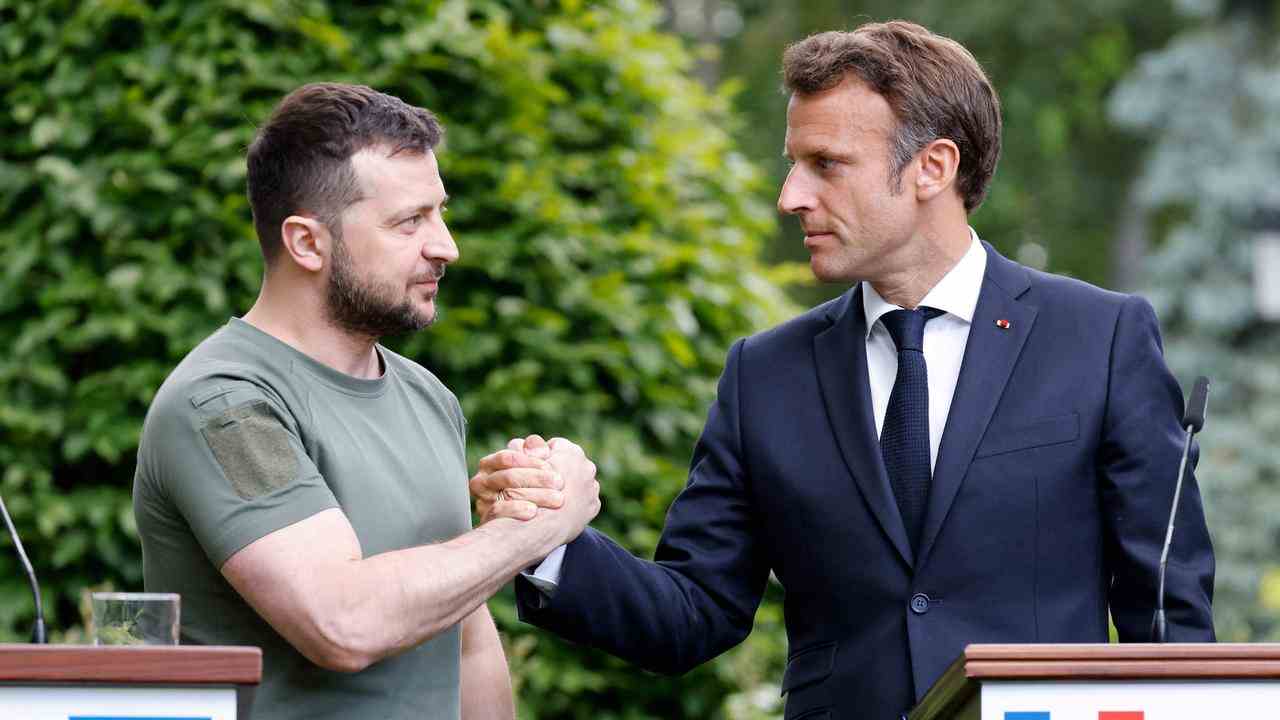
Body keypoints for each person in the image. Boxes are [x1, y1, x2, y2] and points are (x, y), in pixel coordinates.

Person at [471, 21, 1215, 719]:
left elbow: (1167, 615)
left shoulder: (1101, 337)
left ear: (933, 167)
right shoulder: (763, 374)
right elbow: (693, 612)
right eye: (794, 164)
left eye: (825, 165)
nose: (790, 196)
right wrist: (545, 540)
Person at [132, 82, 599, 720]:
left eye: (439, 212)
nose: (446, 246)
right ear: (306, 243)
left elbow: (466, 646)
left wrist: (503, 533)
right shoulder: (226, 404)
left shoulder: (427, 396)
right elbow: (341, 623)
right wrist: (540, 524)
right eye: (410, 221)